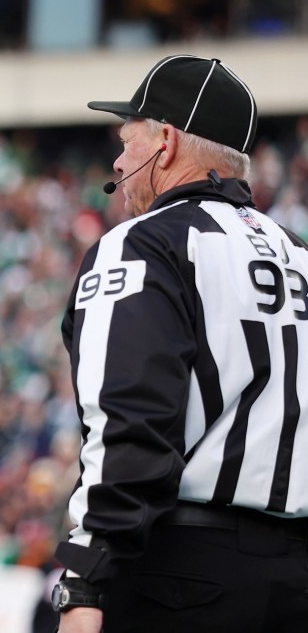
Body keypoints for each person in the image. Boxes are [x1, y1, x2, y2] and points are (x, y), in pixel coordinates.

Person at [53, 54, 308, 633]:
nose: (118, 161)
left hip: (182, 574)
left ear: (164, 142)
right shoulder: (299, 251)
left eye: (127, 141)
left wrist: (86, 577)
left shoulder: (144, 244)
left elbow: (130, 420)